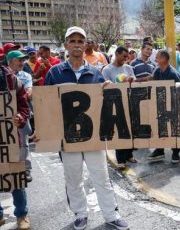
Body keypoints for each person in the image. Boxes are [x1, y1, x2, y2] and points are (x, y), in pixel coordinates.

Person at [44, 26, 129, 230]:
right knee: (73, 178)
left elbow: (104, 102)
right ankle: (80, 214)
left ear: (85, 44)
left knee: (101, 176)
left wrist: (111, 89)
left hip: (92, 138)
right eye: (72, 41)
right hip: (67, 137)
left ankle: (111, 214)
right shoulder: (54, 73)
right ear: (66, 45)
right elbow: (45, 105)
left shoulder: (95, 72)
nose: (76, 44)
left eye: (80, 41)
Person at [0, 54, 31, 230]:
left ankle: (22, 214)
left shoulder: (12, 79)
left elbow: (23, 106)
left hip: (10, 137)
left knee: (15, 177)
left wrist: (21, 117)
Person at [102, 46, 137, 170]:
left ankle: (129, 155)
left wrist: (132, 80)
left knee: (131, 131)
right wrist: (119, 84)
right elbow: (105, 87)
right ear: (116, 54)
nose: (125, 59)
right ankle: (121, 159)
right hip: (116, 104)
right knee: (120, 132)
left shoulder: (128, 68)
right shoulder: (107, 70)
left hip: (130, 102)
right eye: (123, 56)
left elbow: (135, 82)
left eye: (127, 57)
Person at [147, 50, 180, 163]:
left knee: (174, 130)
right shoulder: (157, 71)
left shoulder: (174, 74)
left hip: (174, 106)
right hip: (160, 105)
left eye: (157, 57)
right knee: (160, 128)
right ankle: (159, 150)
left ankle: (175, 153)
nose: (155, 59)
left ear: (163, 59)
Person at [7, 50, 34, 182]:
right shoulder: (3, 76)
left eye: (24, 60)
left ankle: (26, 170)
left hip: (21, 115)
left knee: (24, 143)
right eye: (20, 60)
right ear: (11, 62)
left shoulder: (26, 76)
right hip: (5, 118)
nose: (23, 63)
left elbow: (28, 94)